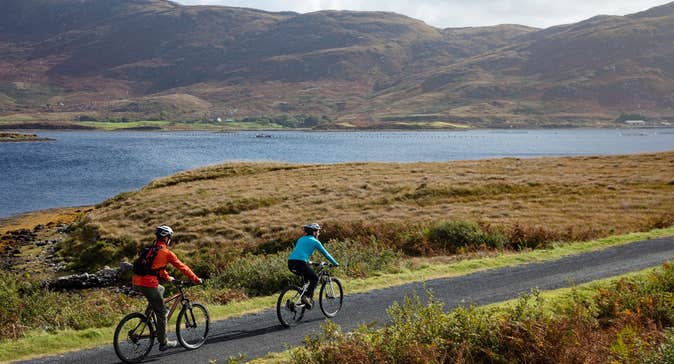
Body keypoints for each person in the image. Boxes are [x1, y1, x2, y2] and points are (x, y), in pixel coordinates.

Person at [132, 225, 202, 351]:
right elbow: (183, 267)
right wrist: (196, 279)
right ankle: (163, 342)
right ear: (166, 238)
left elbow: (157, 270)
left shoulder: (151, 249)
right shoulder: (166, 252)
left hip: (137, 282)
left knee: (161, 289)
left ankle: (149, 313)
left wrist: (170, 278)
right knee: (162, 312)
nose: (170, 239)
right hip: (148, 284)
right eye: (170, 237)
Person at [287, 223, 339, 308]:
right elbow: (326, 254)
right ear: (314, 232)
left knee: (307, 280)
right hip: (301, 263)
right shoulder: (315, 241)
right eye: (318, 231)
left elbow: (300, 252)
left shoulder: (300, 239)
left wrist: (308, 262)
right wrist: (335, 263)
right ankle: (306, 297)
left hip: (291, 263)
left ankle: (303, 300)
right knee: (315, 278)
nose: (319, 233)